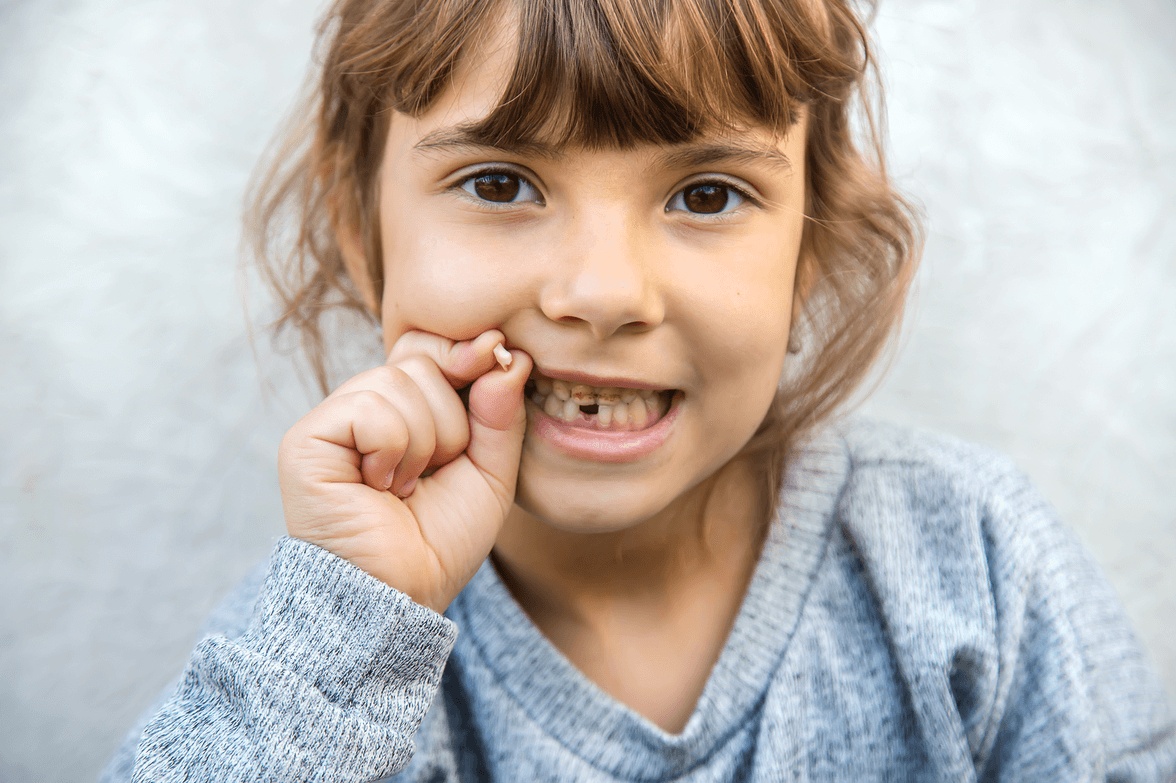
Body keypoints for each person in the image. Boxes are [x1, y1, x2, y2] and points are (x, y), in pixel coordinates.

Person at [101, 0, 1176, 780]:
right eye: (499, 183)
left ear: (806, 246)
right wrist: (345, 624)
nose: (603, 294)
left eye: (707, 194)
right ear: (359, 227)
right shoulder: (324, 646)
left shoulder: (972, 574)